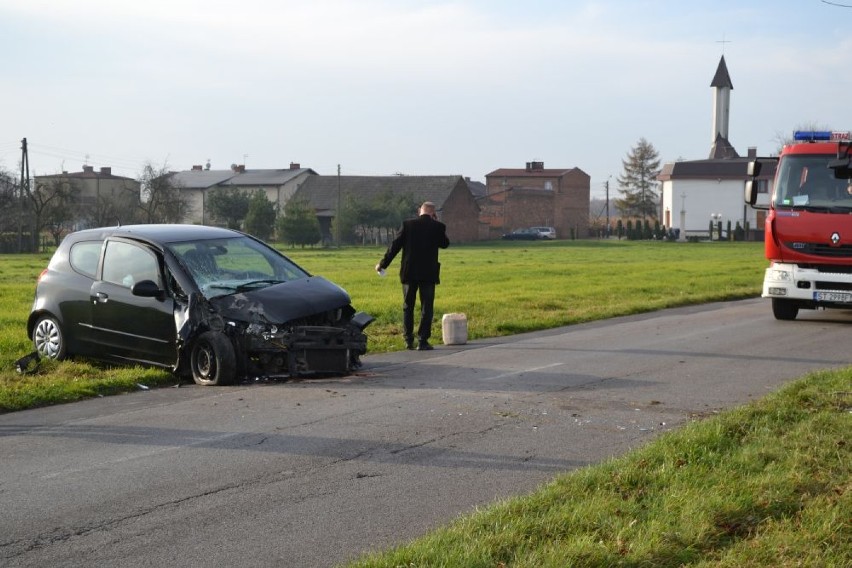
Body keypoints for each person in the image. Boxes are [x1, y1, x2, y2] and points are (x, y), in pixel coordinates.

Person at [376, 201, 450, 351]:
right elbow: (445, 244)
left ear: (419, 211)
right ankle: (423, 340)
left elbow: (394, 247)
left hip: (409, 272)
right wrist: (436, 223)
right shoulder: (438, 227)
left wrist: (382, 264)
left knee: (408, 306)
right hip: (428, 273)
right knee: (427, 307)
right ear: (433, 213)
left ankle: (408, 340)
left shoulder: (407, 225)